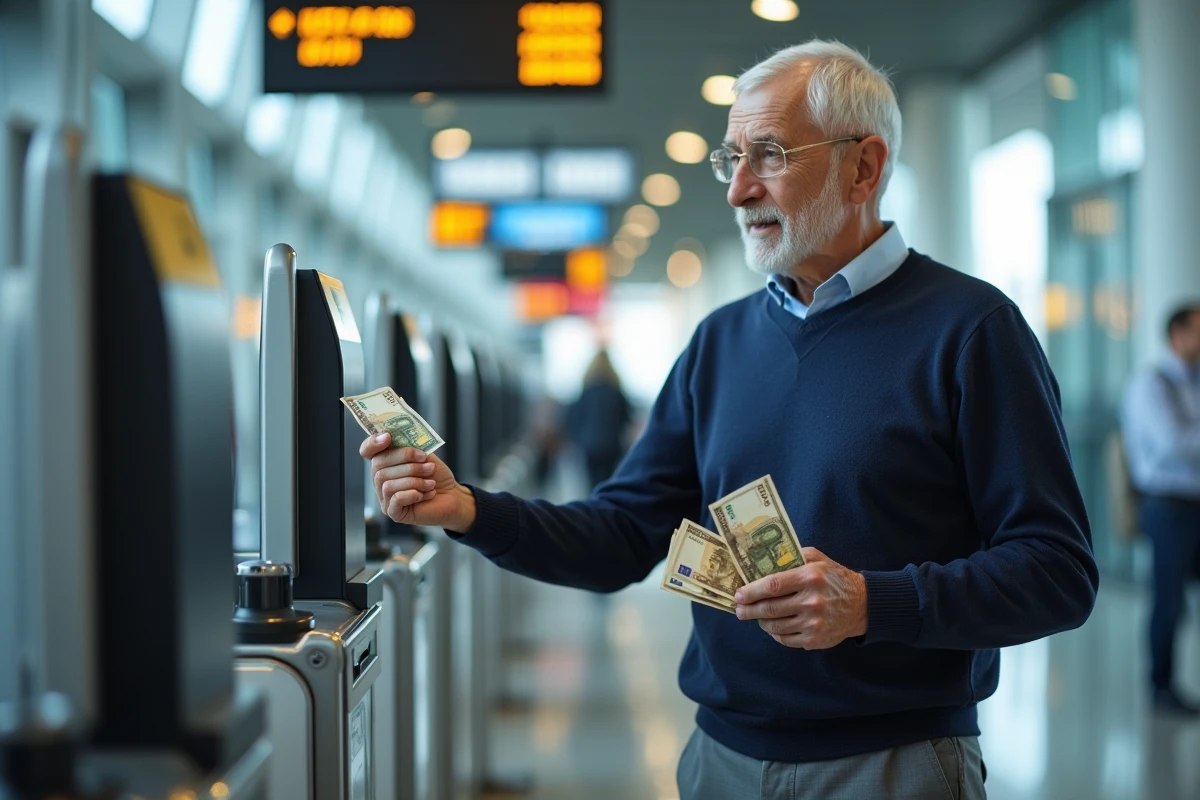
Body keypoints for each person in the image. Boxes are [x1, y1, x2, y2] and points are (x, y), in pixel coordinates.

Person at [360, 39, 1098, 800]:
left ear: (863, 168)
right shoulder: (719, 342)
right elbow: (623, 535)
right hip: (720, 759)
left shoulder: (971, 329)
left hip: (890, 763)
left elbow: (1058, 571)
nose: (738, 189)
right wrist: (471, 510)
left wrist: (873, 603)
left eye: (769, 155)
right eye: (731, 159)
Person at [1121, 304, 1200, 716]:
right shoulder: (1151, 385)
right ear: (1177, 334)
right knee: (1168, 600)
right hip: (1168, 505)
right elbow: (1172, 443)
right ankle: (1162, 688)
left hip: (1195, 502)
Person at [564, 348, 633, 490]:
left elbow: (573, 418)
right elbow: (627, 419)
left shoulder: (586, 392)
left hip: (589, 446)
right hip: (611, 446)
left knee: (592, 484)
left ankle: (593, 508)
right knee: (608, 483)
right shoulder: (616, 393)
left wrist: (578, 439)